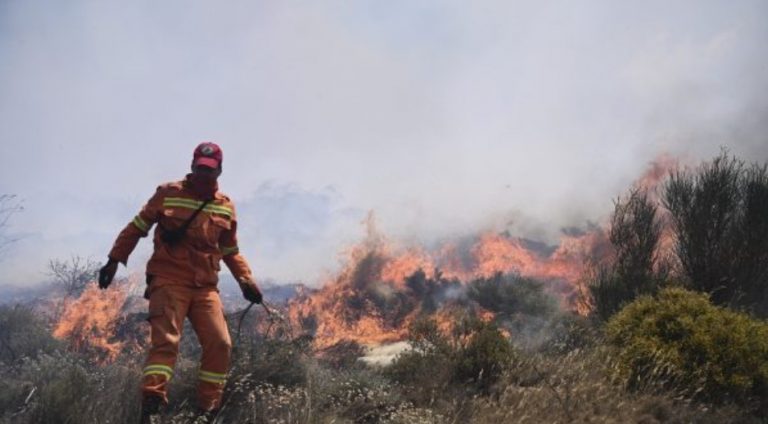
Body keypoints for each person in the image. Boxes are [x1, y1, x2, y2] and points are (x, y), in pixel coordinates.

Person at [98, 142, 262, 423]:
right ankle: (152, 406)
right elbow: (138, 226)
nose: (204, 174)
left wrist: (246, 280)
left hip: (205, 287)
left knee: (220, 343)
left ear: (220, 170)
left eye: (209, 170)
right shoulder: (168, 194)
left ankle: (207, 410)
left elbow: (230, 250)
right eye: (200, 168)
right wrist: (115, 258)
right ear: (192, 166)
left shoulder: (225, 207)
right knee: (166, 343)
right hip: (168, 279)